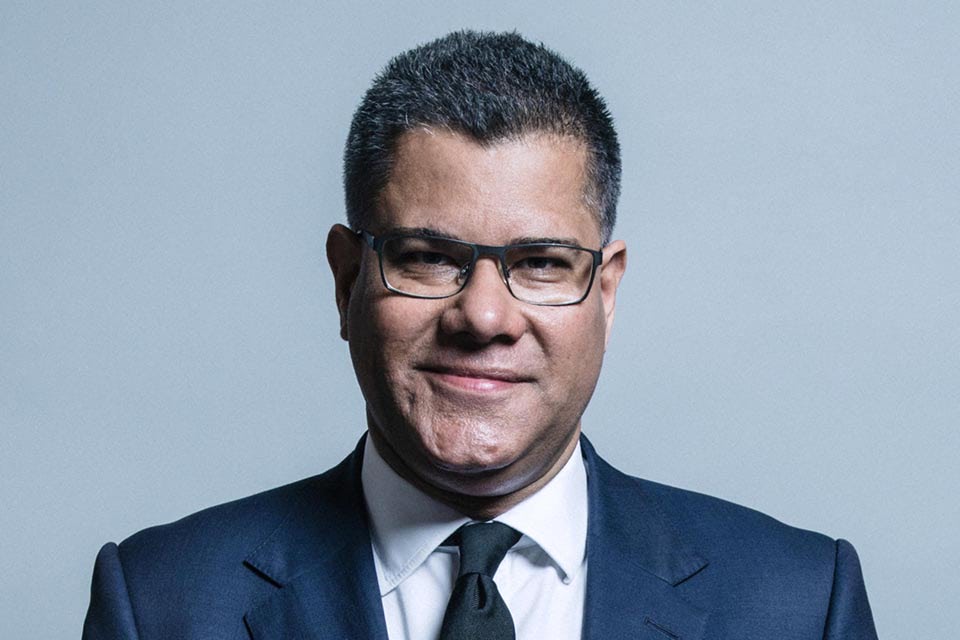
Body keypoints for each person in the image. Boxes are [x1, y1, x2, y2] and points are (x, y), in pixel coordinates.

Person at [83, 30, 878, 640]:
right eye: (428, 257)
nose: (485, 318)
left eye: (541, 263)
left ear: (605, 292)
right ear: (346, 279)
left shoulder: (798, 604)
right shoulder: (162, 603)